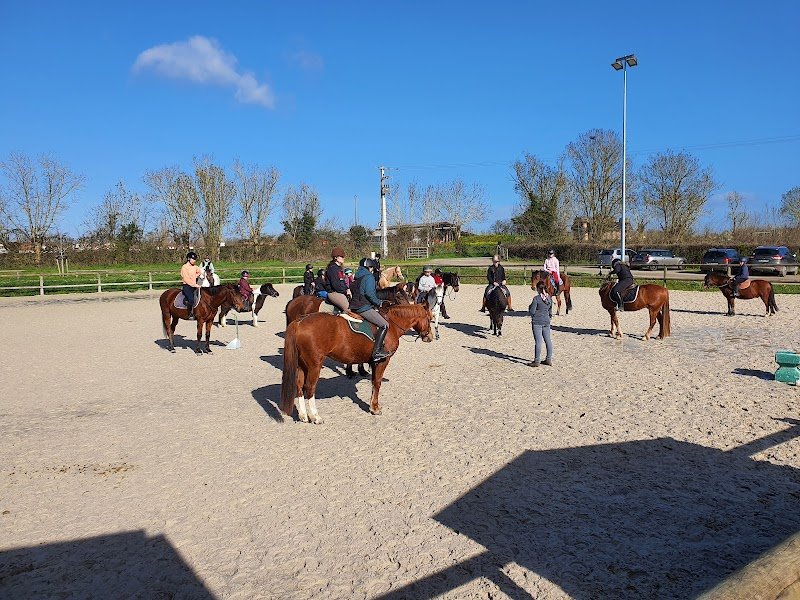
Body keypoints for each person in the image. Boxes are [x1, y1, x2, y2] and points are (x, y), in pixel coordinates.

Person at [349, 258, 392, 361]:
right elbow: (370, 294)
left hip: (353, 305)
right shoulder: (369, 277)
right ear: (370, 268)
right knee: (384, 325)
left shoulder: (356, 277)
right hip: (363, 307)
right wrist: (379, 303)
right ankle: (377, 351)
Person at [528, 280, 553, 367]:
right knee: (548, 340)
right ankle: (548, 359)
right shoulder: (549, 297)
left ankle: (537, 361)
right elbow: (550, 311)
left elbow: (532, 311)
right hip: (546, 321)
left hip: (537, 322)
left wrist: (529, 307)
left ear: (538, 289)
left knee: (538, 342)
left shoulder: (536, 299)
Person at [324, 247, 351, 313]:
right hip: (334, 293)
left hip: (339, 291)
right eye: (341, 256)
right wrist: (345, 291)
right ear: (336, 257)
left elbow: (342, 281)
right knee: (348, 309)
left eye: (343, 256)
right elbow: (336, 285)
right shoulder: (333, 269)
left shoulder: (339, 268)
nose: (343, 258)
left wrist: (348, 289)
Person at [181, 251, 202, 319]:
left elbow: (199, 272)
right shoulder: (184, 267)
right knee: (191, 300)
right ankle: (190, 313)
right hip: (187, 286)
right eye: (193, 259)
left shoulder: (195, 267)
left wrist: (195, 276)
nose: (194, 261)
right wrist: (194, 285)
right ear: (188, 259)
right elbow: (186, 279)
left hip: (194, 285)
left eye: (195, 259)